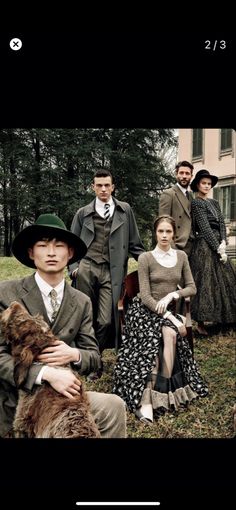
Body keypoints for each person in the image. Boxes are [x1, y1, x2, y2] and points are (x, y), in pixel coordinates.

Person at [0, 213, 127, 438]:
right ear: (31, 252)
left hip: (63, 400)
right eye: (42, 245)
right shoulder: (7, 293)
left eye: (59, 246)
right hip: (19, 400)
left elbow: (93, 357)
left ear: (70, 254)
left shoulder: (81, 301)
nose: (51, 252)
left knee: (113, 406)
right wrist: (45, 373)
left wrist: (73, 354)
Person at [113, 215, 208, 423]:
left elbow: (192, 287)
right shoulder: (145, 258)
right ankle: (145, 400)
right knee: (153, 341)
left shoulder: (181, 256)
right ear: (155, 233)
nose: (164, 236)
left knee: (170, 335)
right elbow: (145, 296)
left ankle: (162, 391)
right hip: (145, 311)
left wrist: (174, 295)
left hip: (168, 310)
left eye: (168, 232)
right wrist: (169, 317)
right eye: (160, 231)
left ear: (174, 233)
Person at [70, 169, 145, 380]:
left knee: (105, 320)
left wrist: (151, 262)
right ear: (93, 187)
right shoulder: (82, 213)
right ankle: (91, 362)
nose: (103, 189)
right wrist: (73, 267)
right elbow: (70, 243)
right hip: (86, 268)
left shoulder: (124, 210)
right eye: (99, 185)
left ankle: (96, 355)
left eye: (107, 185)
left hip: (112, 271)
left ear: (113, 187)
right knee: (86, 317)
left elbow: (135, 244)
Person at [189, 169, 236, 336]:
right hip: (204, 245)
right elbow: (204, 227)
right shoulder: (196, 203)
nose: (207, 186)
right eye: (204, 183)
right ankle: (201, 323)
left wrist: (223, 241)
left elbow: (222, 223)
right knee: (205, 282)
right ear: (197, 185)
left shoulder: (214, 202)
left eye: (209, 184)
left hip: (219, 243)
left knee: (226, 280)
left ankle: (225, 318)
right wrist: (217, 247)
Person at [159, 160, 194, 256]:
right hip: (177, 246)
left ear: (191, 176)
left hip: (192, 246)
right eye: (181, 173)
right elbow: (163, 223)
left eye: (187, 173)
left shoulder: (191, 196)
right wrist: (171, 247)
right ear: (176, 174)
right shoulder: (169, 194)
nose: (184, 176)